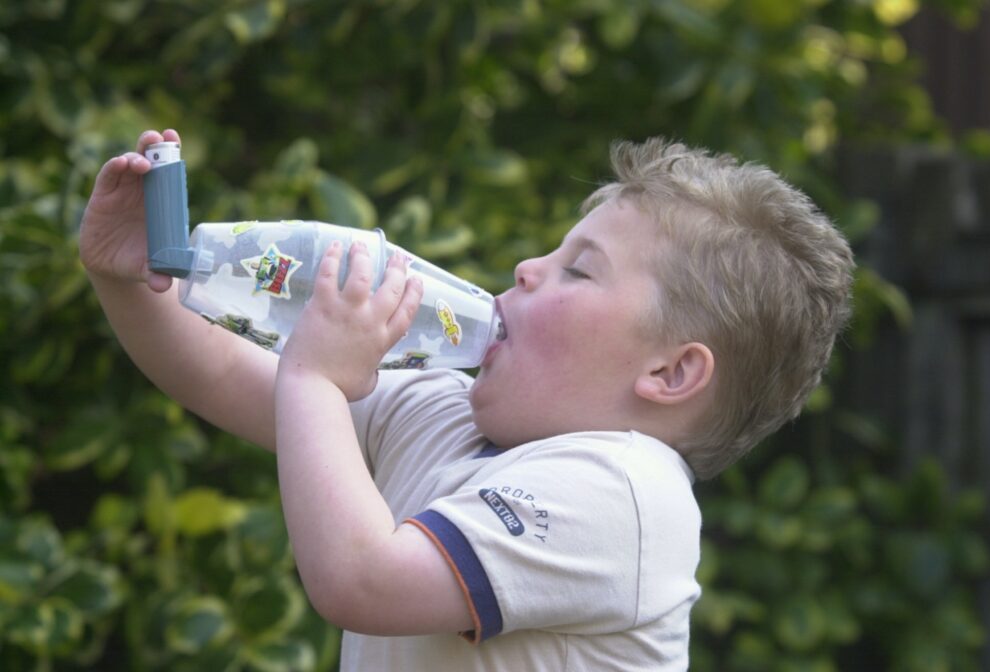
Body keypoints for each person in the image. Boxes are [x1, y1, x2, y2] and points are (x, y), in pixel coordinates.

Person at [80, 129, 854, 671]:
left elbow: (362, 582)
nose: (525, 267)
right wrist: (133, 281)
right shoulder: (451, 412)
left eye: (578, 271)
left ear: (671, 373)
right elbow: (223, 378)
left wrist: (317, 378)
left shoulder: (626, 490)